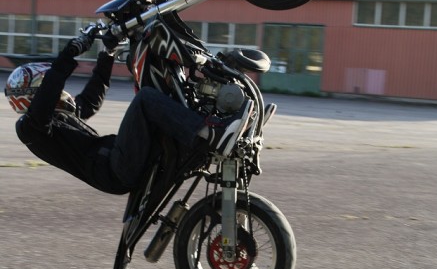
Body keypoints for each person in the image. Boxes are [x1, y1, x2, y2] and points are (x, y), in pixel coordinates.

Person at [4, 27, 253, 195]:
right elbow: (52, 86)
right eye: (44, 84)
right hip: (114, 168)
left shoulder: (56, 117)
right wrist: (70, 53)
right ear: (33, 92)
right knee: (145, 99)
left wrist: (107, 53)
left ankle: (211, 119)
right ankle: (211, 134)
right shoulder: (30, 128)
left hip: (116, 162)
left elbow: (90, 100)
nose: (60, 90)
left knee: (158, 99)